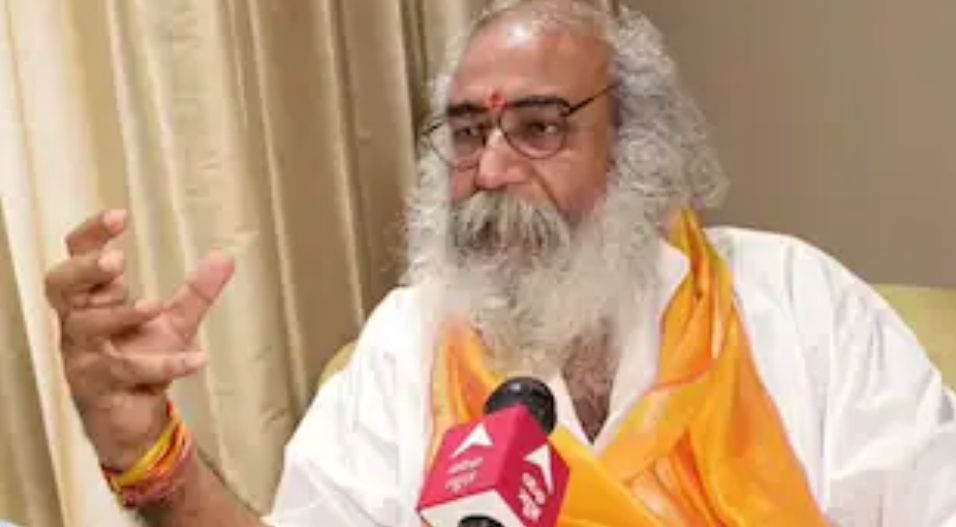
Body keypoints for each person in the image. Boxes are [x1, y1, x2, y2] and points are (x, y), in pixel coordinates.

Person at [43, 1, 956, 525]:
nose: (489, 171)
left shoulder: (800, 309)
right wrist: (151, 455)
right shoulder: (407, 345)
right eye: (468, 132)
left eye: (540, 127)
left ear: (637, 149)